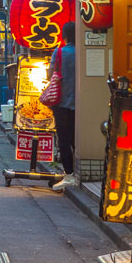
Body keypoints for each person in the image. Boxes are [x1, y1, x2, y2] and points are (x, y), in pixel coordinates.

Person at [51, 23, 78, 191]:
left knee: (64, 138)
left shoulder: (59, 52)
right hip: (80, 102)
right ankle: (78, 171)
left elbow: (50, 74)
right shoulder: (82, 52)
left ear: (64, 35)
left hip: (61, 102)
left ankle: (69, 174)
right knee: (76, 138)